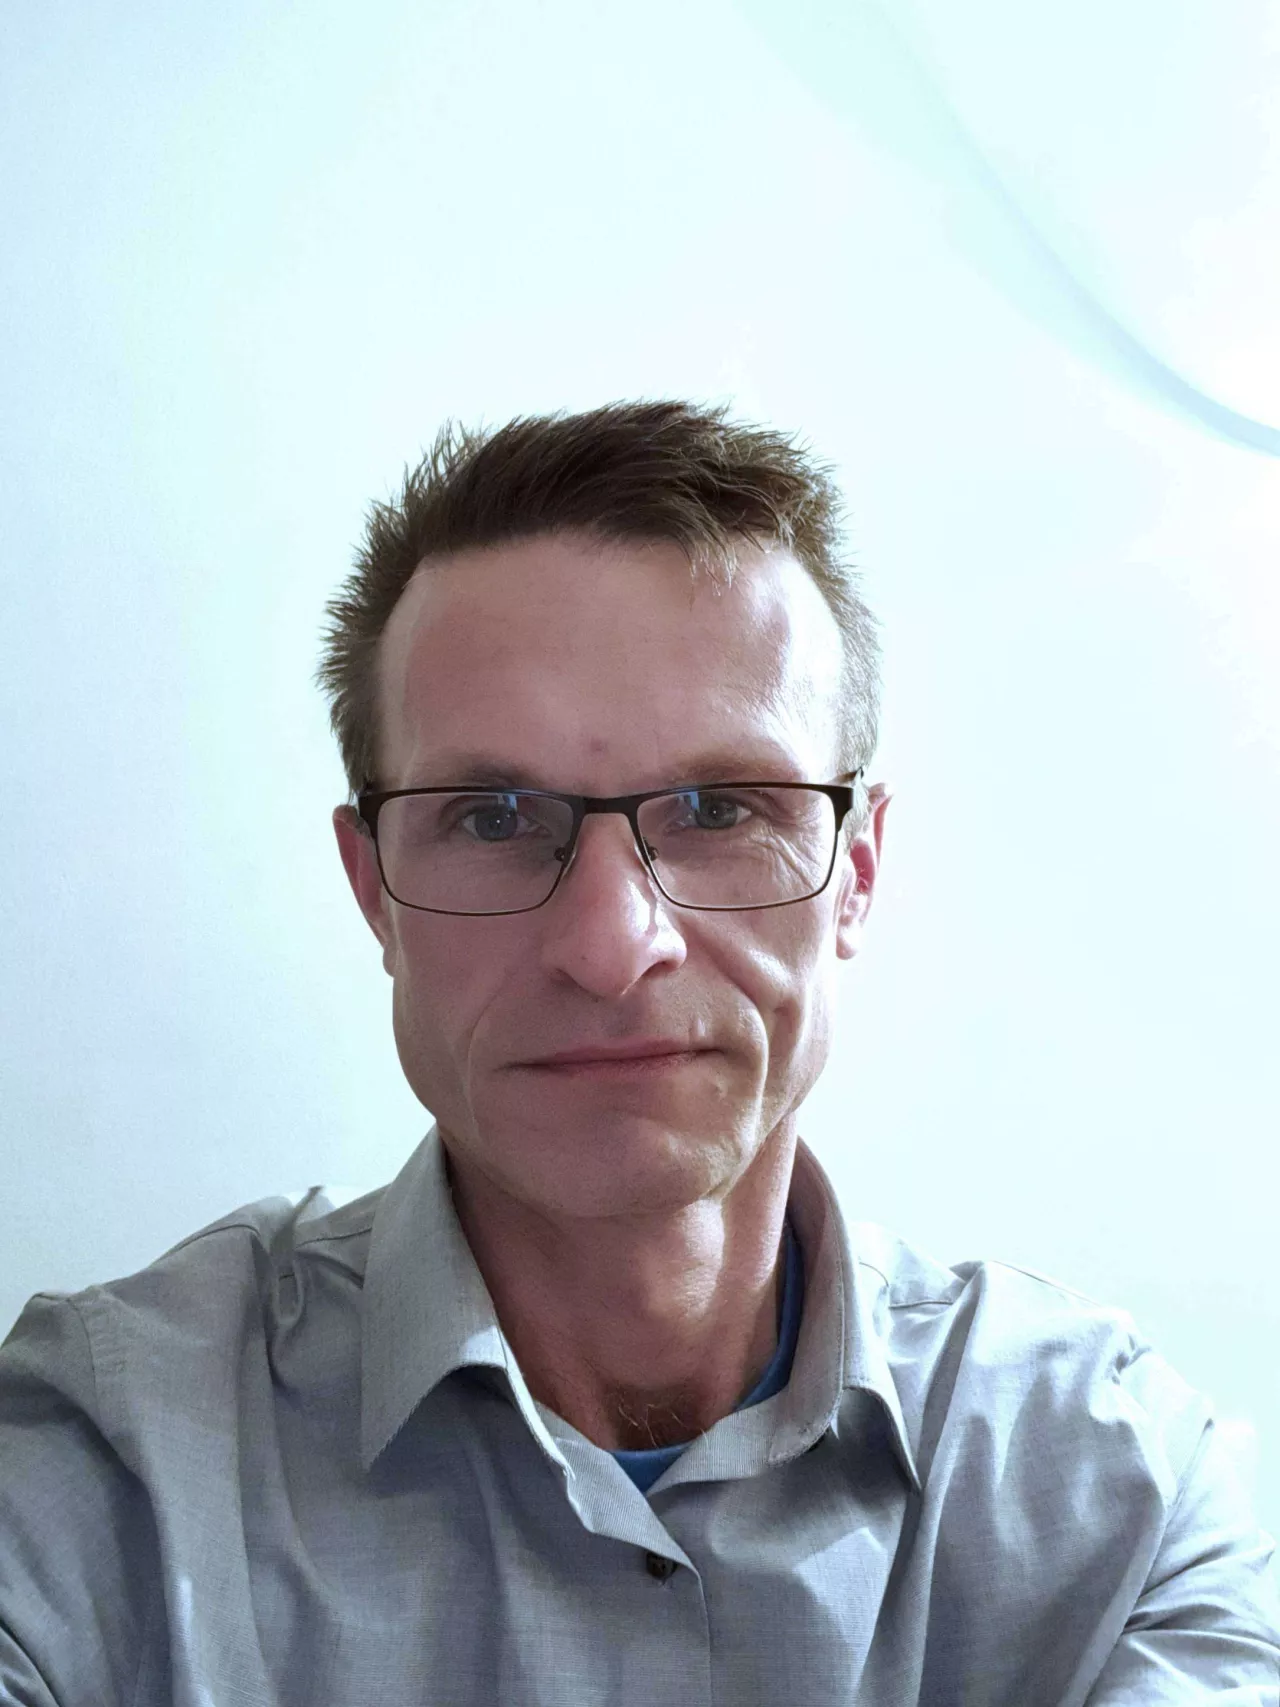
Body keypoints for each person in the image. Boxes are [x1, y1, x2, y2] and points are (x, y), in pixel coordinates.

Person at [1, 400, 1277, 1705]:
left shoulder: (1116, 1494)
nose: (612, 947)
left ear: (857, 871)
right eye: (493, 817)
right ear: (371, 886)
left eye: (721, 809)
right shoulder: (101, 1464)